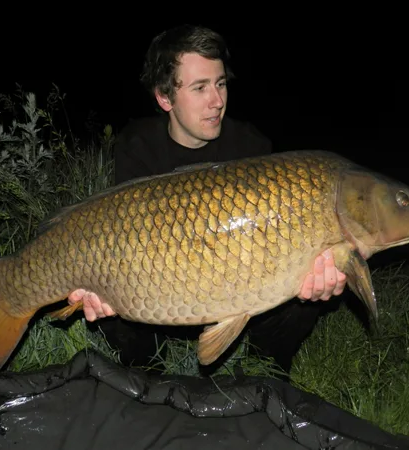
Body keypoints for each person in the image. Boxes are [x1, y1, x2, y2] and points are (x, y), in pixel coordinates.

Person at [68, 24, 347, 380]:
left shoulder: (251, 148)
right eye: (200, 88)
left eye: (221, 84)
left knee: (299, 284)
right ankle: (147, 373)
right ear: (165, 98)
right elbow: (123, 240)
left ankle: (263, 372)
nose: (217, 101)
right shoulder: (138, 148)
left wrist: (315, 274)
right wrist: (97, 286)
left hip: (239, 288)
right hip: (162, 296)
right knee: (110, 295)